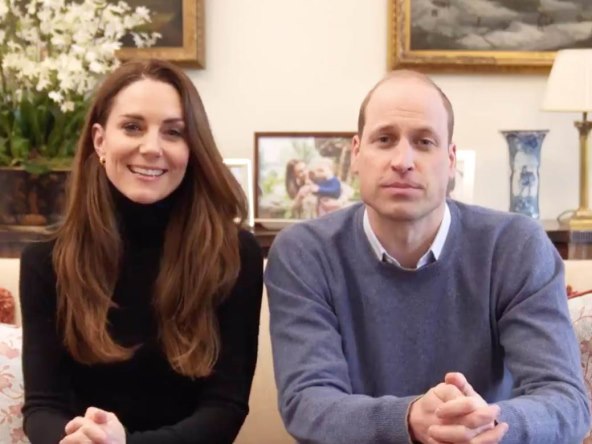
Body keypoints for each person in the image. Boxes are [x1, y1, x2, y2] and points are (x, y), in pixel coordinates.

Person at [265, 70, 590, 443]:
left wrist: (488, 424)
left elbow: (566, 401)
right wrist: (408, 419)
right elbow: (307, 402)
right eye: (384, 139)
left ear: (451, 160)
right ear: (356, 154)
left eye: (424, 142)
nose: (402, 160)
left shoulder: (515, 246)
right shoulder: (303, 253)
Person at [20, 59, 263, 444]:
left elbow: (225, 409)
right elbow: (42, 407)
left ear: (192, 147)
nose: (151, 148)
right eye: (132, 127)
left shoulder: (234, 255)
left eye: (173, 132)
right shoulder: (44, 260)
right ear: (100, 140)